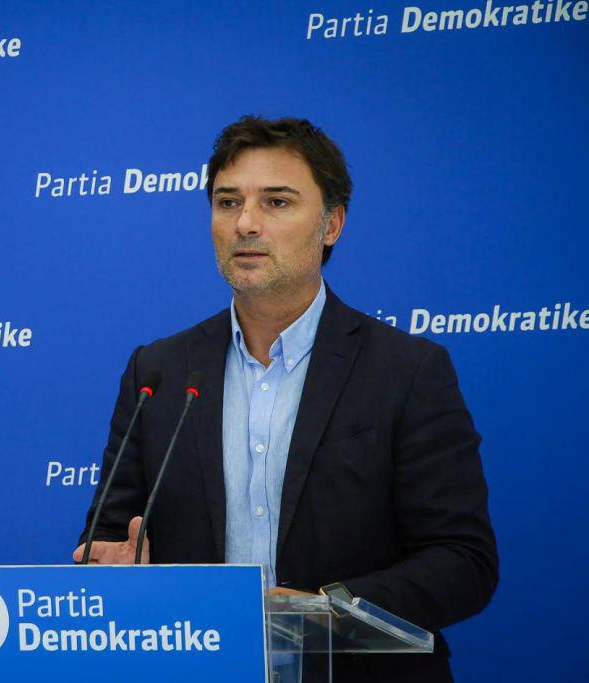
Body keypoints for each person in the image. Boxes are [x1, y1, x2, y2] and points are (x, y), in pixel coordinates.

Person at [73, 116, 498, 682]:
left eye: (276, 202)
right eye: (228, 202)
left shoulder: (407, 370)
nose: (246, 223)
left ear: (332, 224)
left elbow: (463, 561)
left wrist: (325, 611)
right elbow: (106, 537)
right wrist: (115, 569)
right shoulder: (157, 371)